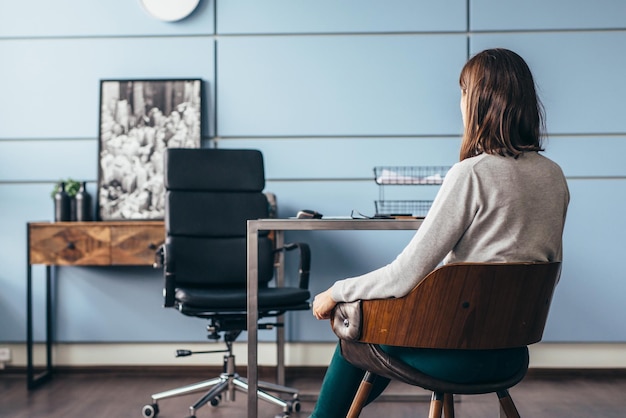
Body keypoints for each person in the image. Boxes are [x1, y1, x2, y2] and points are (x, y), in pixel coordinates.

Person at [309, 48, 570, 417]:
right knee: (383, 325)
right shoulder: (553, 175)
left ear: (479, 100)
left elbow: (403, 276)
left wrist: (335, 292)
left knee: (359, 323)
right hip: (510, 353)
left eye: (463, 92)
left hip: (455, 353)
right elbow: (548, 271)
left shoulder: (472, 174)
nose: (460, 103)